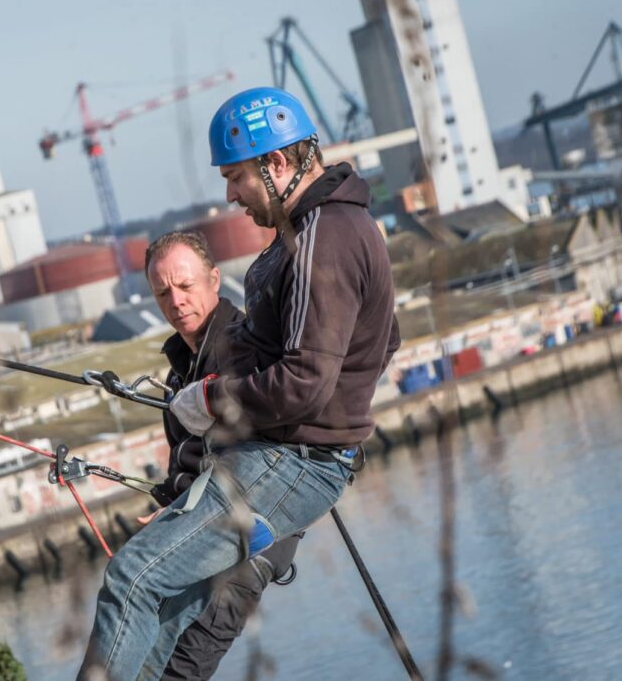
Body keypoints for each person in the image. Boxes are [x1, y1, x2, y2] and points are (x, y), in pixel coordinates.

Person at [79, 86, 400, 680]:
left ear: (276, 164)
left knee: (132, 581)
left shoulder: (322, 239)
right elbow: (386, 339)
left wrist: (211, 398)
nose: (229, 195)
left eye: (236, 178)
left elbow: (303, 378)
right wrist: (337, 409)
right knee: (165, 621)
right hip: (286, 457)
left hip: (291, 460)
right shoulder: (317, 232)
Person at [140, 231, 300, 680]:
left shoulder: (245, 349)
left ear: (214, 280)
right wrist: (172, 505)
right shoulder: (181, 366)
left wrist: (182, 510)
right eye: (162, 292)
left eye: (186, 286)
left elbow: (252, 459)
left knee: (180, 668)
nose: (176, 301)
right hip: (206, 534)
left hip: (256, 537)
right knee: (146, 652)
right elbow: (189, 462)